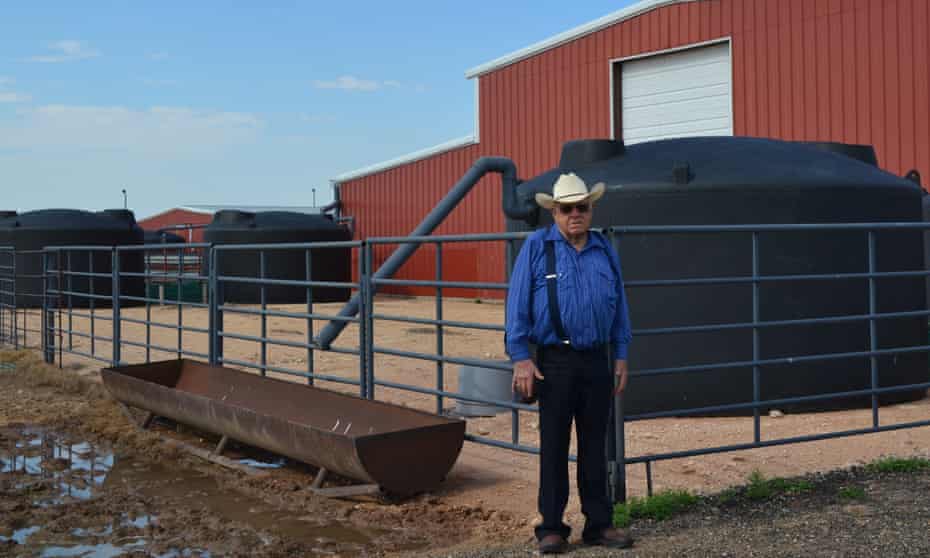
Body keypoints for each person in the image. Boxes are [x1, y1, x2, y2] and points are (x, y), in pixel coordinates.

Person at [505, 172, 633, 554]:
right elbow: (517, 305)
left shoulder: (603, 248)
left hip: (597, 359)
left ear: (591, 209)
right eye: (567, 208)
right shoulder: (536, 247)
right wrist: (521, 359)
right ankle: (552, 527)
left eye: (582, 207)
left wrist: (621, 354)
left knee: (596, 445)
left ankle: (599, 524)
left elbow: (620, 304)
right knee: (554, 446)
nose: (575, 214)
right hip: (554, 361)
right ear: (554, 212)